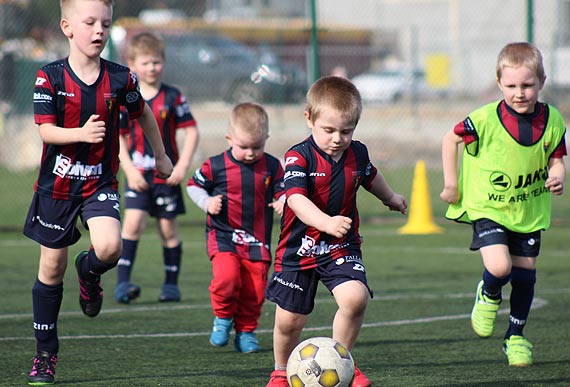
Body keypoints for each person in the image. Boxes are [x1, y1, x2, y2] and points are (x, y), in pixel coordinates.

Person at [23, 0, 173, 385]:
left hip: (99, 183)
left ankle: (88, 275)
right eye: (89, 22)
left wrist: (160, 155)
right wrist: (79, 134)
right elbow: (46, 131)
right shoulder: (49, 77)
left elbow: (144, 115)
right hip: (56, 187)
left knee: (110, 248)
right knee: (50, 268)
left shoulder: (122, 78)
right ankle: (45, 355)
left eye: (105, 23)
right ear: (67, 27)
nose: (98, 31)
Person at [264, 75, 407, 387]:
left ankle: (344, 362)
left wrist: (391, 198)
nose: (337, 138)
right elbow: (296, 198)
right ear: (309, 119)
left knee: (355, 299)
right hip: (298, 247)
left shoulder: (358, 153)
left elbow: (371, 177)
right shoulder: (298, 155)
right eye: (328, 130)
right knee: (290, 320)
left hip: (340, 245)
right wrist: (325, 221)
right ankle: (279, 370)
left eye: (346, 131)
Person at [440, 42, 567, 367]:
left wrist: (558, 176)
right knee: (499, 267)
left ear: (542, 81)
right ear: (499, 84)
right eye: (511, 86)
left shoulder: (552, 119)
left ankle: (516, 337)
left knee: (525, 278)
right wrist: (452, 184)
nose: (520, 93)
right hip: (488, 206)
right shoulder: (484, 119)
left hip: (527, 211)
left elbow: (556, 157)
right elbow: (450, 139)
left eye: (527, 85)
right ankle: (489, 292)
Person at [186, 102, 285, 353]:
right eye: (244, 147)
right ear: (229, 138)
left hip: (257, 239)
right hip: (224, 235)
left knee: (255, 291)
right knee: (227, 279)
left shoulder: (272, 167)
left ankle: (246, 331)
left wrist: (283, 200)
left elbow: (285, 189)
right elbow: (193, 185)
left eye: (257, 147)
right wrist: (206, 202)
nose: (251, 153)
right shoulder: (216, 165)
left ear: (266, 139)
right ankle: (222, 318)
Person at [114, 32, 199, 304]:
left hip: (166, 176)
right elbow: (120, 138)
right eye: (145, 63)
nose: (151, 68)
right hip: (138, 175)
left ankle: (171, 286)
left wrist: (182, 166)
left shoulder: (173, 96)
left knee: (167, 229)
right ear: (132, 64)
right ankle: (123, 283)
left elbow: (191, 131)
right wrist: (130, 170)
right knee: (133, 223)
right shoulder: (129, 97)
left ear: (163, 62)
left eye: (156, 62)